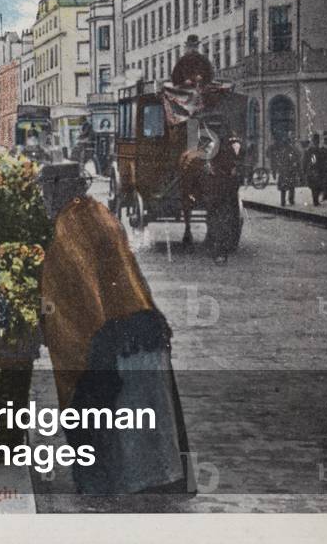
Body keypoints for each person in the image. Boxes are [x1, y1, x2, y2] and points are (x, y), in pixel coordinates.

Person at [38, 162, 191, 496]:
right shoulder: (97, 211)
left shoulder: (70, 225)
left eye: (47, 188)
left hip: (115, 342)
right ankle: (156, 480)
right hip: (142, 332)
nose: (44, 196)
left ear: (61, 188)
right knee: (152, 435)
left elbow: (78, 295)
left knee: (120, 431)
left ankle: (119, 484)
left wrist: (80, 346)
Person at [274, 135, 300, 207]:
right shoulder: (292, 150)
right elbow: (296, 158)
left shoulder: (282, 150)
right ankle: (290, 200)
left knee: (284, 187)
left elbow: (278, 160)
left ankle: (283, 201)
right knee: (291, 186)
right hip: (289, 171)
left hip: (284, 171)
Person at [303, 134, 324, 207]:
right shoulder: (313, 150)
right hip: (314, 170)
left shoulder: (313, 149)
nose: (317, 142)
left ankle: (316, 200)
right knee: (315, 186)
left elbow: (305, 161)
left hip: (314, 170)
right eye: (316, 140)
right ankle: (315, 201)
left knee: (315, 186)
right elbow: (312, 160)